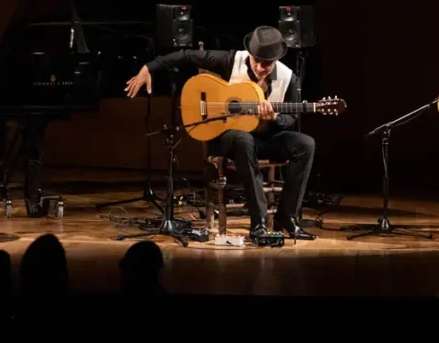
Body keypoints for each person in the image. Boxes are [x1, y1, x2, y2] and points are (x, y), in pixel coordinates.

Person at [125, 26, 317, 241]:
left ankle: (287, 216)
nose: (263, 68)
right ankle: (259, 223)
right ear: (251, 55)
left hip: (266, 137)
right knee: (244, 140)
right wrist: (149, 68)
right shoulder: (230, 60)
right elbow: (188, 56)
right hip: (228, 138)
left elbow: (292, 117)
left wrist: (275, 118)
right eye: (258, 61)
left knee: (305, 144)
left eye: (268, 63)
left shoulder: (287, 76)